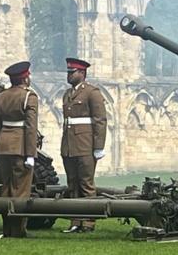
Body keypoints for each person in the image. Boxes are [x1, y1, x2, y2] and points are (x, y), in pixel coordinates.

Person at [0, 61, 38, 238]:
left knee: (6, 188)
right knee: (20, 190)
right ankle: (18, 230)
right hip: (20, 147)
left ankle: (7, 229)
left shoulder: (2, 96)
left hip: (3, 146)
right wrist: (30, 154)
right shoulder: (29, 97)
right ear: (25, 78)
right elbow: (31, 127)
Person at [60, 58, 107, 233]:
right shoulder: (67, 94)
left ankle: (88, 222)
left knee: (86, 184)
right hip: (69, 145)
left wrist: (98, 146)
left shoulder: (92, 92)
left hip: (85, 144)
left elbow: (100, 120)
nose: (69, 75)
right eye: (68, 72)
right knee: (73, 184)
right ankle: (75, 221)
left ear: (82, 73)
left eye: (72, 72)